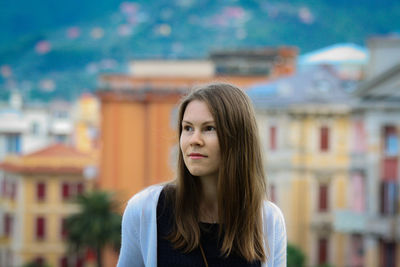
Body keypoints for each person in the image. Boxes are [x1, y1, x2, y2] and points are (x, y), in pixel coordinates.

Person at [117, 82, 286, 266]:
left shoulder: (269, 220)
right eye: (188, 128)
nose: (194, 140)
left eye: (209, 128)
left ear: (237, 139)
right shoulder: (145, 211)